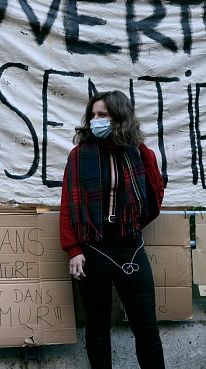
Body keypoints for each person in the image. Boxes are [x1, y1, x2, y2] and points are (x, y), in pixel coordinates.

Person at [59, 90, 165, 368]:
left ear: (119, 119)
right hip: (93, 246)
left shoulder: (141, 154)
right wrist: (73, 249)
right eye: (92, 115)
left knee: (146, 326)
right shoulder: (78, 156)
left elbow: (155, 197)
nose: (95, 120)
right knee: (97, 327)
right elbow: (68, 205)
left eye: (102, 115)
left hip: (130, 244)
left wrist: (130, 224)